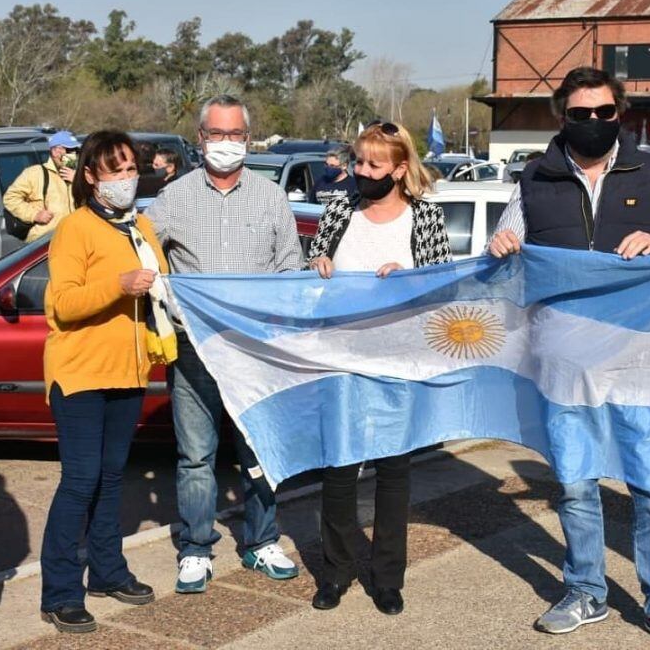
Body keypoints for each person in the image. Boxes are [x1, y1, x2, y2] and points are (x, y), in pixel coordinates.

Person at [489, 67, 650, 650]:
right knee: (578, 483)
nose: (592, 123)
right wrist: (501, 243)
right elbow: (505, 248)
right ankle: (586, 590)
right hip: (566, 358)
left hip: (642, 355)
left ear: (621, 111)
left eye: (603, 112)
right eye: (580, 114)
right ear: (563, 115)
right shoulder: (533, 177)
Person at [146, 94, 305, 594]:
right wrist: (162, 292)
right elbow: (147, 256)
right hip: (194, 348)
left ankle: (262, 541)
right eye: (217, 134)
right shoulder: (174, 198)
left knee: (258, 449)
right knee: (196, 456)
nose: (226, 144)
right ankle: (196, 548)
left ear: (248, 139)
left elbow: (289, 269)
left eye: (236, 135)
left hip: (255, 351)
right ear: (200, 138)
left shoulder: (270, 197)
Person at [308, 120, 452, 616]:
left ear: (400, 168)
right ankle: (337, 570)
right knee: (339, 470)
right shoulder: (339, 208)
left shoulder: (426, 217)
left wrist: (411, 278)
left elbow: (444, 286)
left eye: (373, 164)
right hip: (341, 359)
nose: (362, 171)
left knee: (393, 473)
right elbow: (314, 266)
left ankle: (387, 577)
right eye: (358, 161)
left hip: (399, 360)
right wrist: (319, 263)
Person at [40, 131, 174, 634]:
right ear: (90, 177)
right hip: (80, 371)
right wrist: (117, 286)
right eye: (113, 170)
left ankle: (108, 572)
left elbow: (160, 289)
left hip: (128, 369)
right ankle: (59, 592)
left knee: (111, 476)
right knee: (80, 481)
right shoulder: (75, 228)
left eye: (129, 169)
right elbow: (63, 304)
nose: (124, 178)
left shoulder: (141, 225)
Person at [3, 130, 78, 241]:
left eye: (76, 150)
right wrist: (34, 215)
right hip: (44, 243)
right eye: (70, 150)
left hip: (74, 239)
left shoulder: (79, 175)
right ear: (55, 151)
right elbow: (10, 198)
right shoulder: (34, 173)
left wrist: (78, 181)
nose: (74, 155)